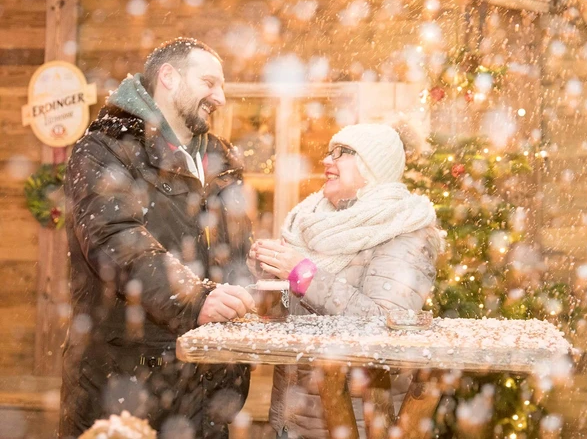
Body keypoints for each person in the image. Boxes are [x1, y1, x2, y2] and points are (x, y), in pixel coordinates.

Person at [60, 38, 256, 439]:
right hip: (128, 382)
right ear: (168, 77)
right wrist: (194, 298)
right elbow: (116, 239)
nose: (220, 96)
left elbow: (231, 252)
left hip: (207, 386)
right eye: (209, 82)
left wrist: (256, 275)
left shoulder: (221, 158)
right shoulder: (105, 149)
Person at [248, 123, 442, 439]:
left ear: (373, 165)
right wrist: (268, 273)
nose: (327, 160)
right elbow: (302, 316)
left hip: (353, 422)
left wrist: (303, 274)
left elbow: (386, 324)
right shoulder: (310, 220)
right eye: (329, 152)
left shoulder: (407, 232)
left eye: (343, 153)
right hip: (292, 419)